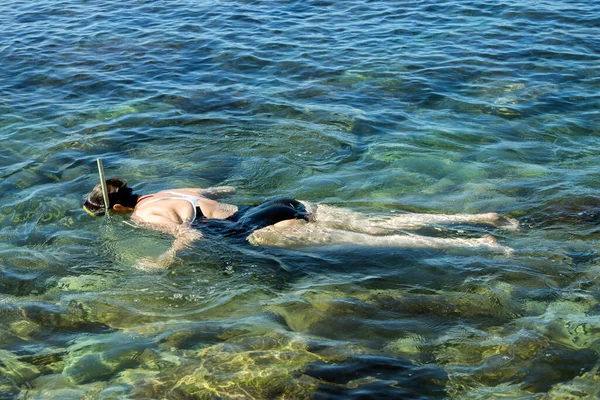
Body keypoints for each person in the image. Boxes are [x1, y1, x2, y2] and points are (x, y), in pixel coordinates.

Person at [83, 178, 518, 268]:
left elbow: (186, 235)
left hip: (260, 232)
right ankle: (478, 217)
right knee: (382, 221)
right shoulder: (167, 189)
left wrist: (163, 261)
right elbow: (224, 192)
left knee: (379, 242)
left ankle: (479, 245)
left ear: (116, 210)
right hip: (279, 204)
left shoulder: (144, 215)